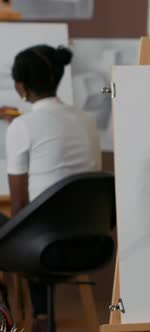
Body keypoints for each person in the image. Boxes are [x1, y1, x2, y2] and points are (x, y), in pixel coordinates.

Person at [0, 44, 101, 332]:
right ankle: (41, 316)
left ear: (20, 87)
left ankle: (8, 311)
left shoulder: (22, 128)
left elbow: (19, 209)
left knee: (26, 224)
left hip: (45, 249)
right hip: (91, 243)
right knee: (44, 222)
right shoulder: (87, 120)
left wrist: (19, 127)